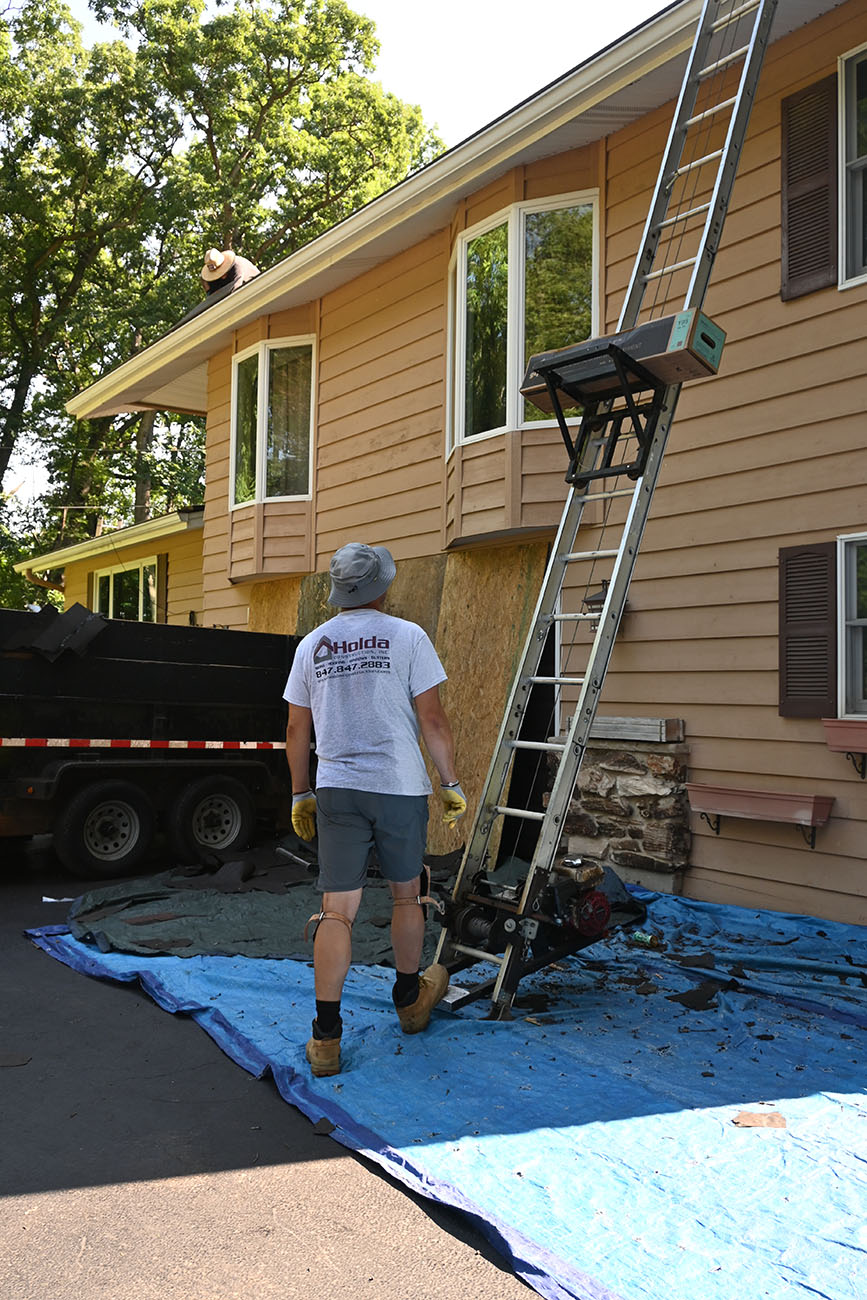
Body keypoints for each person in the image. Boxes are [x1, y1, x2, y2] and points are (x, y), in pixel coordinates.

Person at [283, 542, 467, 1077]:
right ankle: (410, 1001)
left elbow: (296, 728)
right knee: (407, 894)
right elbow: (433, 719)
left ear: (338, 590)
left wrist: (300, 792)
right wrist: (450, 781)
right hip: (398, 786)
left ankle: (325, 1037)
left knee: (336, 909)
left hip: (337, 788)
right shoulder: (408, 637)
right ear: (383, 586)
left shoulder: (312, 645)